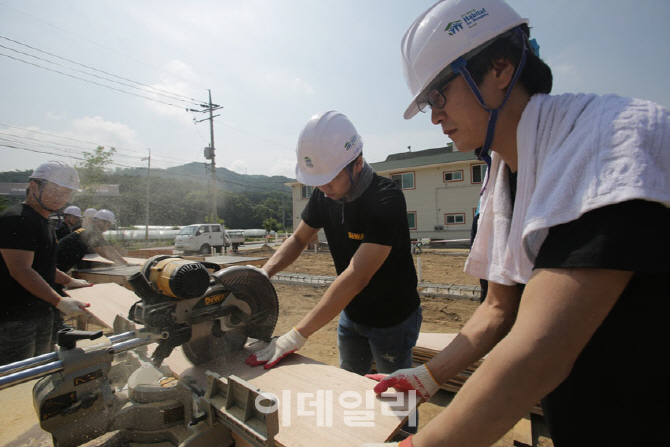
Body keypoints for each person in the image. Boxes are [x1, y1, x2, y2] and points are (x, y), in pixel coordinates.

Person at [366, 1, 670, 446]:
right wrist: (428, 376)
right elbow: (497, 310)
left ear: (500, 68)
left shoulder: (606, 147)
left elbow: (539, 355)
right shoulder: (503, 178)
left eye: (439, 94)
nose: (435, 115)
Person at [246, 111, 422, 385]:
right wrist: (263, 274)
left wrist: (297, 335)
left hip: (392, 320)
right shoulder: (324, 193)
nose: (324, 189)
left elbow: (358, 275)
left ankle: (406, 430)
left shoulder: (386, 198)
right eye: (318, 182)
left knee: (394, 396)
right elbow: (298, 239)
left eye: (329, 180)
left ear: (358, 163)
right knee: (350, 384)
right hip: (351, 313)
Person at [0, 161, 92, 364]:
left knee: (41, 369)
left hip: (41, 310)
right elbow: (21, 270)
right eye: (54, 190)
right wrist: (59, 301)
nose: (61, 197)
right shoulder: (17, 219)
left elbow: (43, 265)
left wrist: (69, 281)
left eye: (67, 193)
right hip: (14, 319)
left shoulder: (44, 221)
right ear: (34, 186)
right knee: (15, 378)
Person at [57, 208, 128, 273]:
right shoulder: (92, 232)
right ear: (102, 222)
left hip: (57, 263)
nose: (107, 228)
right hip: (56, 264)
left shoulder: (89, 230)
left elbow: (106, 247)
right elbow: (104, 251)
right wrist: (123, 262)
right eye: (108, 225)